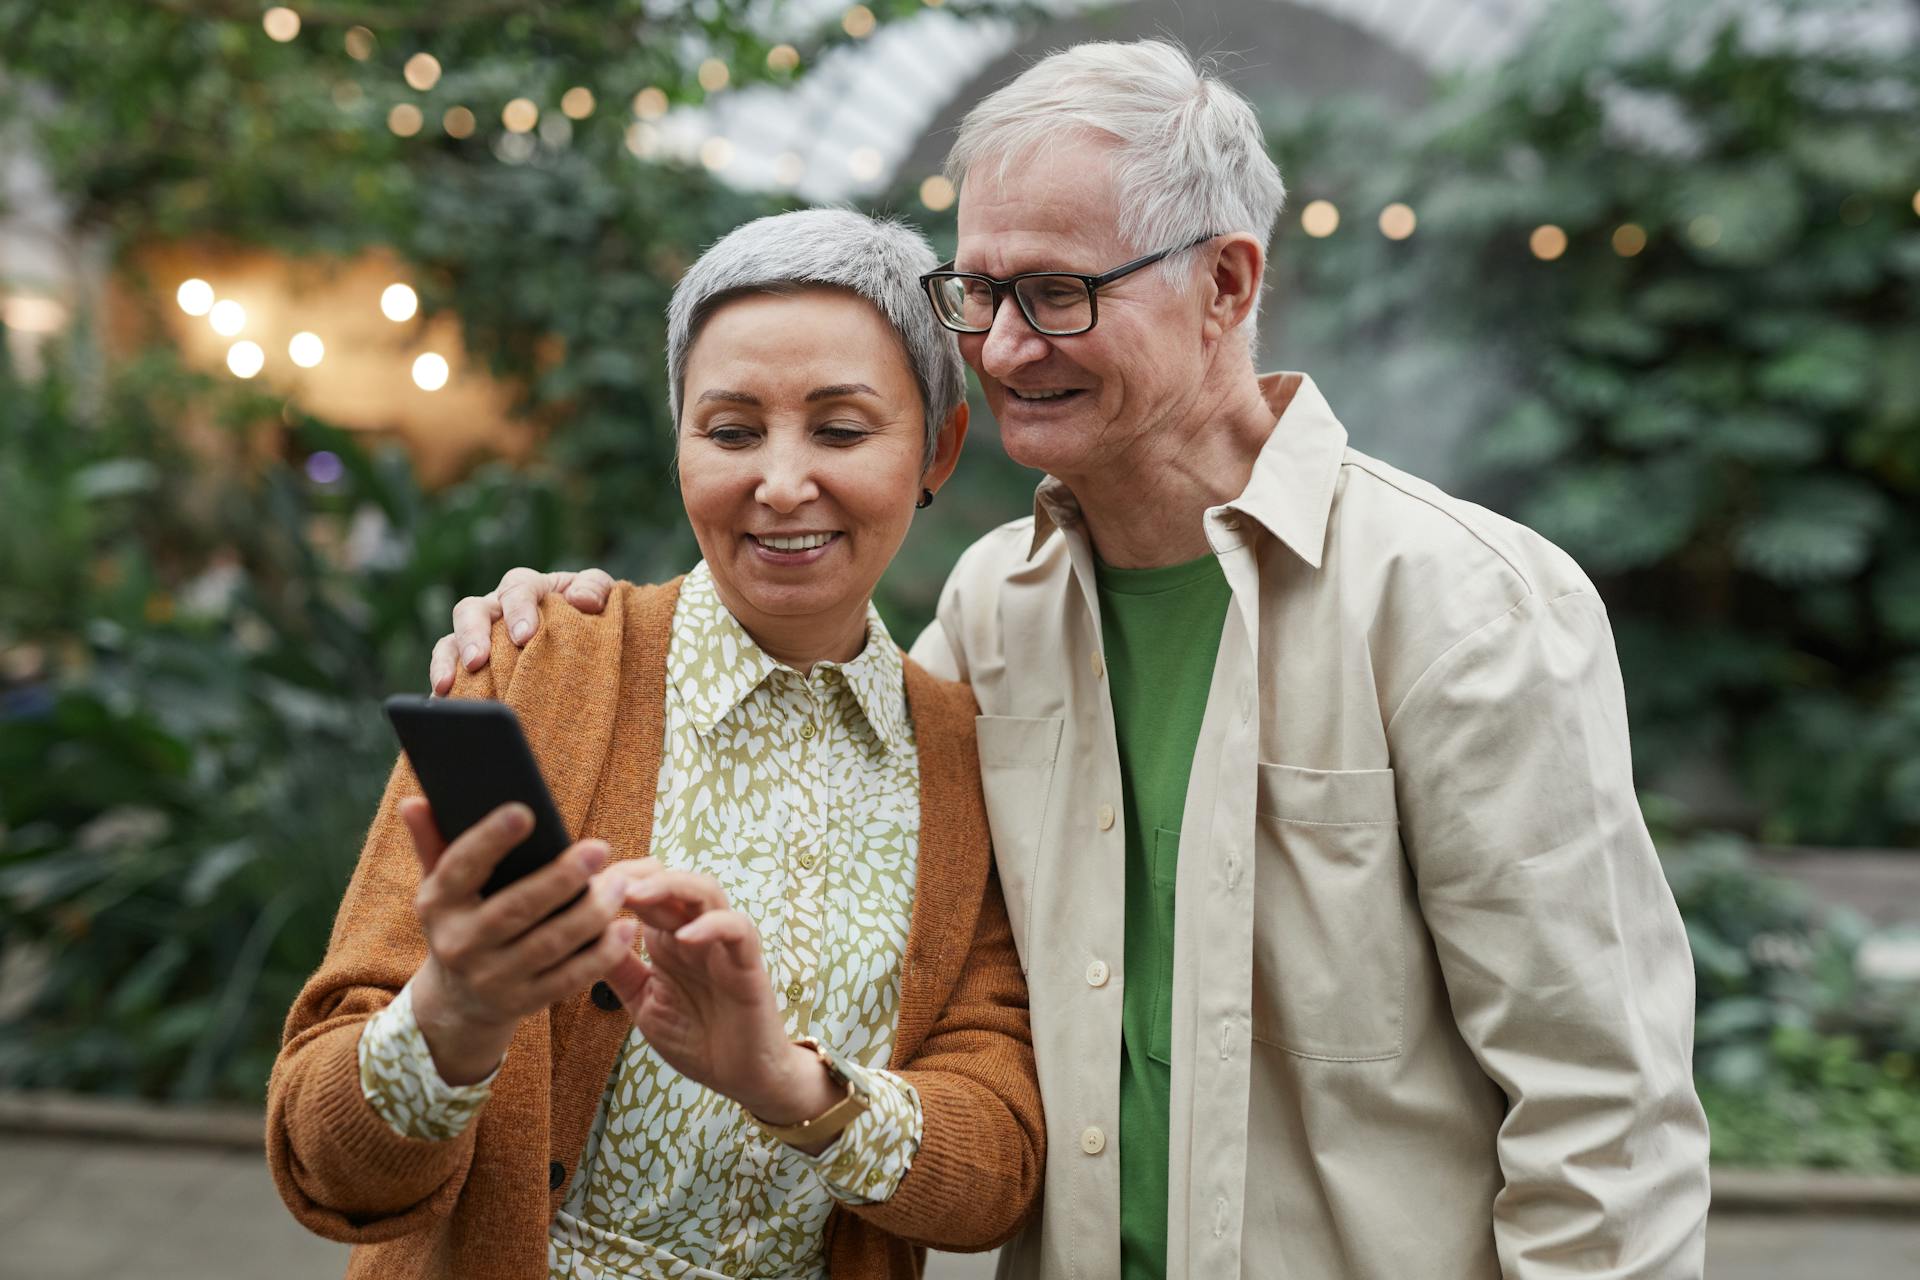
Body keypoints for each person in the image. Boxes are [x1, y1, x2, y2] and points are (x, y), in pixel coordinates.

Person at [433, 40, 1712, 1280]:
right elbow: (808, 740)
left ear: (1226, 283)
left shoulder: (1461, 604)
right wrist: (581, 624)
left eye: (1056, 292)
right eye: (979, 292)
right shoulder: (994, 612)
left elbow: (1605, 1112)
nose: (997, 346)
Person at [268, 208, 1044, 1280]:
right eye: (730, 430)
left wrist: (791, 1084)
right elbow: (326, 1162)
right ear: (679, 439)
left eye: (841, 429)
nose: (778, 482)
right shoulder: (541, 664)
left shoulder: (967, 754)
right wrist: (455, 1008)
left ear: (939, 450)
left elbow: (998, 1161)